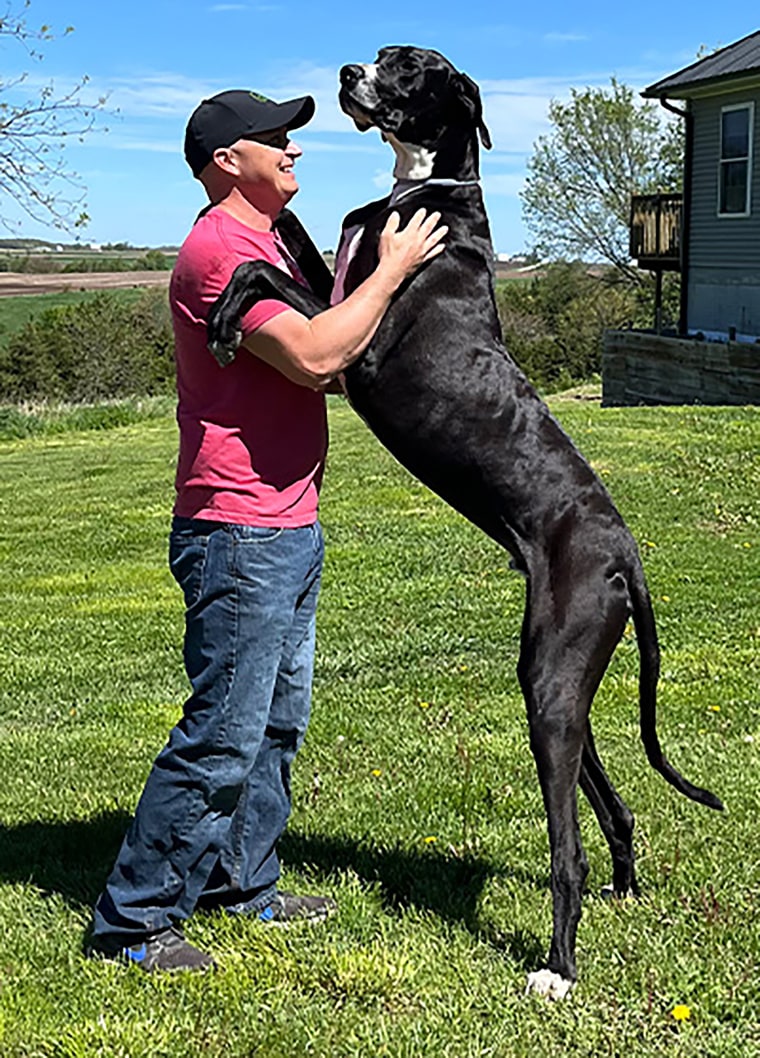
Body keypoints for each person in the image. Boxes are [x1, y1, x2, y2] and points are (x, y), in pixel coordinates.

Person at [87, 88, 446, 972]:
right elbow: (321, 354)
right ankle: (133, 921)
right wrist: (393, 267)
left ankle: (241, 882)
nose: (292, 150)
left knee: (276, 722)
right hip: (237, 528)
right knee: (223, 730)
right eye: (275, 140)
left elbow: (328, 345)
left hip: (288, 518)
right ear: (224, 161)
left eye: (292, 139)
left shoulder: (273, 241)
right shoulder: (218, 252)